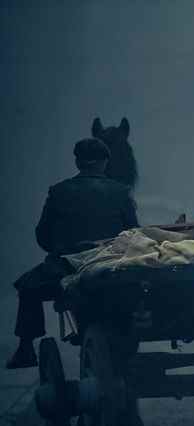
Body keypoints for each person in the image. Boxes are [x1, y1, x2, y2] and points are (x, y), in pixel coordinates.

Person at [7, 138, 139, 369]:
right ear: (105, 163)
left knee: (27, 287)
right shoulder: (121, 192)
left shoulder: (58, 191)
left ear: (78, 162)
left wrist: (63, 248)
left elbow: (43, 235)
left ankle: (25, 348)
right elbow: (132, 232)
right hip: (110, 264)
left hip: (67, 265)